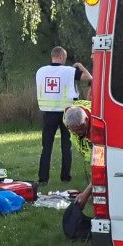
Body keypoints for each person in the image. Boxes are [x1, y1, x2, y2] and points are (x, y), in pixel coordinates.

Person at [36, 46, 92, 183]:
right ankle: (65, 177)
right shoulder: (69, 71)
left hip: (48, 113)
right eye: (65, 58)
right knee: (66, 146)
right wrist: (79, 66)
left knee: (46, 146)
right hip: (67, 113)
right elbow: (89, 77)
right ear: (61, 56)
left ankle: (43, 179)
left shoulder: (41, 71)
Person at [63, 100, 94, 211]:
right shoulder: (67, 114)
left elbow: (102, 169)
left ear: (86, 119)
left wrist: (85, 194)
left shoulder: (96, 130)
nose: (79, 133)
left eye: (81, 128)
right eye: (75, 131)